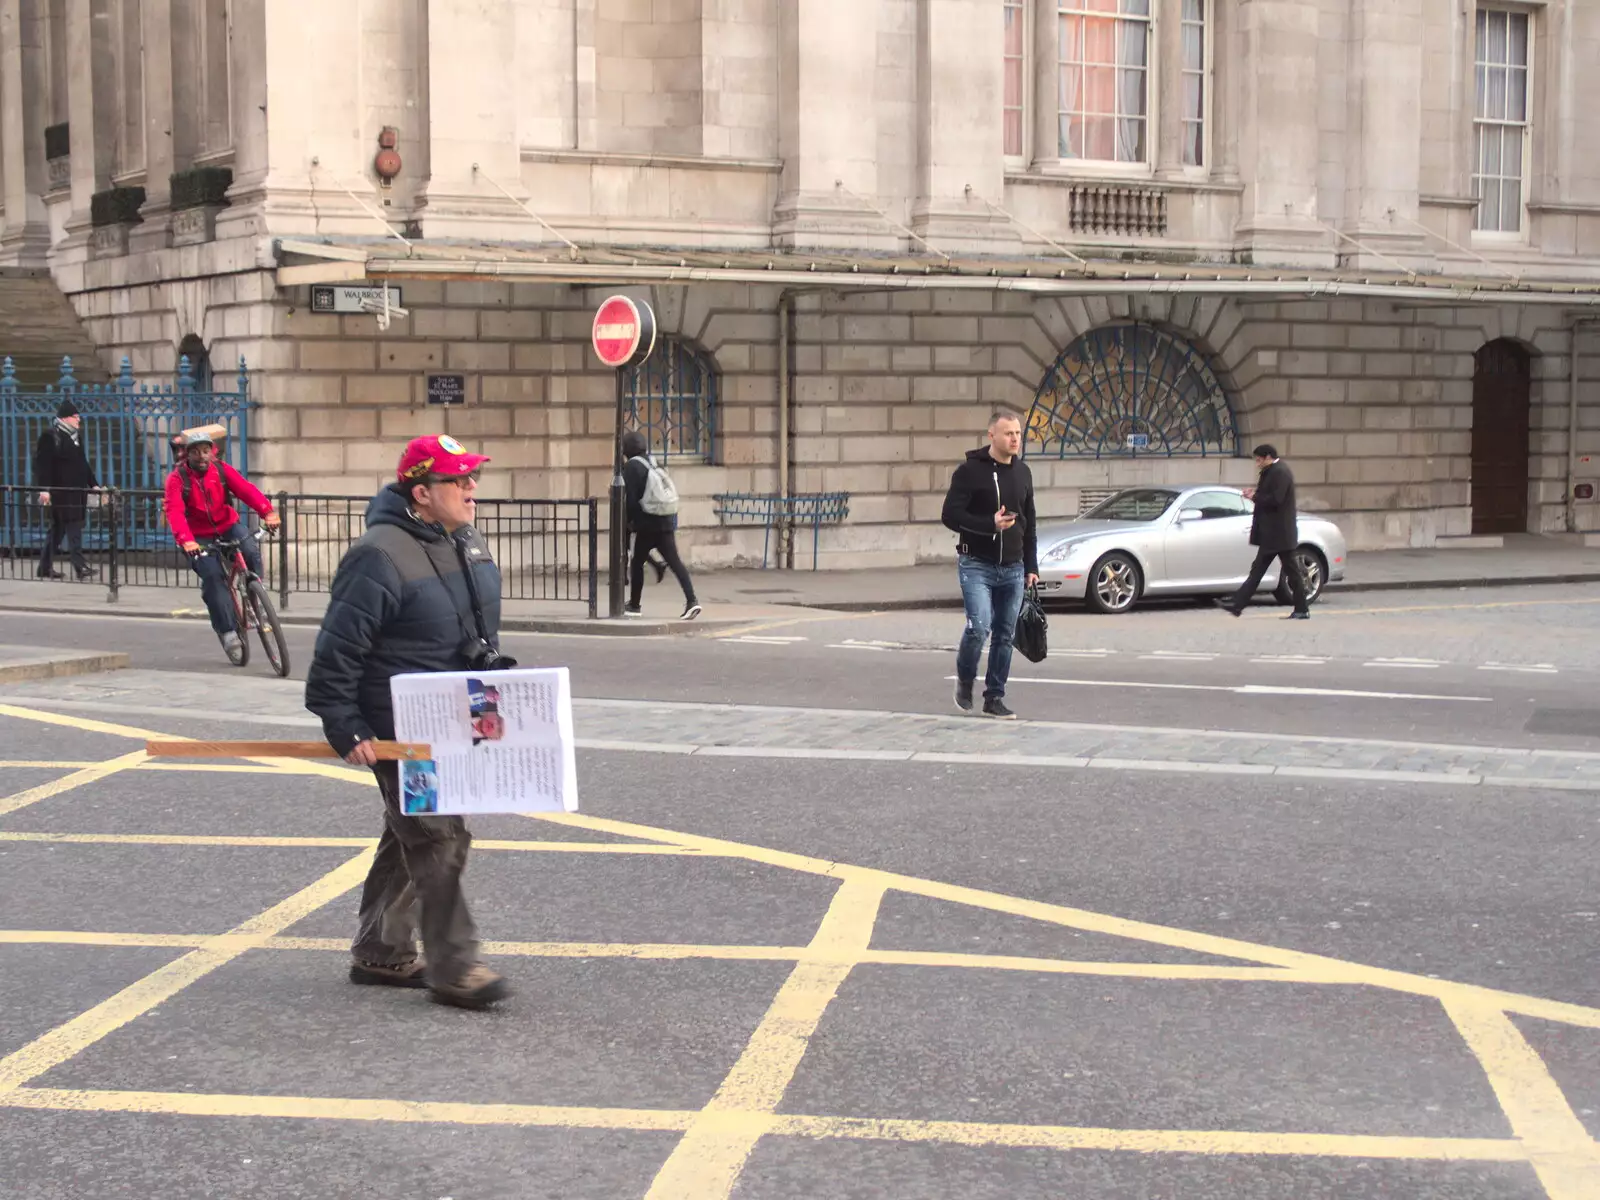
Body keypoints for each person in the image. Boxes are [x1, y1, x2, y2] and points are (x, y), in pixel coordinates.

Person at [305, 434, 513, 1011]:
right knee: (438, 836)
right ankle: (454, 968)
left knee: (410, 835)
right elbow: (336, 653)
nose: (473, 488)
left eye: (473, 477)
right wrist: (345, 725)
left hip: (453, 719)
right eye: (459, 480)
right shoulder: (379, 554)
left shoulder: (463, 539)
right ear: (421, 493)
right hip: (398, 729)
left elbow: (466, 629)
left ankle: (380, 948)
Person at [941, 411, 1039, 720]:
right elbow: (950, 515)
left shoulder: (1023, 473)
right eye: (1008, 433)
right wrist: (989, 525)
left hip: (1012, 567)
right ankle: (965, 680)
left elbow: (1030, 524)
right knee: (979, 627)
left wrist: (1031, 566)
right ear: (991, 436)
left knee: (1004, 634)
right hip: (976, 564)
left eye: (1018, 433)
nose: (1014, 439)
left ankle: (994, 697)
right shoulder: (970, 471)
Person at [163, 431, 280, 658]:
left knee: (250, 550)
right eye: (196, 452)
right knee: (214, 578)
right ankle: (228, 632)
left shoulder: (222, 470)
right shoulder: (177, 480)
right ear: (187, 455)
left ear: (212, 451)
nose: (202, 457)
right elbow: (175, 512)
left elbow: (246, 490)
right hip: (198, 537)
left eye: (206, 451)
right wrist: (187, 541)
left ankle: (255, 598)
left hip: (227, 525)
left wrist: (268, 512)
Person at [1221, 444, 1310, 620]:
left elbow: (1276, 499)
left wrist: (1254, 496)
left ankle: (1238, 605)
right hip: (1275, 533)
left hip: (1278, 533)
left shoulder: (1280, 472)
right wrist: (1254, 494)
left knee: (1272, 571)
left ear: (1268, 456)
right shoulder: (1273, 471)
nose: (1257, 463)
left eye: (1259, 459)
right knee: (1271, 570)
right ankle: (1238, 605)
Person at [621, 429, 700, 620]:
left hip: (648, 523)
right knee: (675, 562)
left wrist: (628, 523)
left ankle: (634, 605)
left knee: (637, 562)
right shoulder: (652, 461)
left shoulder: (632, 467)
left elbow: (631, 500)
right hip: (665, 520)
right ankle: (692, 601)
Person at [33, 400, 100, 580]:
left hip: (77, 492)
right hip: (61, 492)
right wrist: (44, 489)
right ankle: (80, 567)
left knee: (57, 531)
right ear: (65, 418)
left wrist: (93, 484)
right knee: (74, 527)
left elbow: (83, 464)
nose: (79, 420)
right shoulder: (50, 436)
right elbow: (43, 465)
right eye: (75, 417)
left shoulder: (76, 437)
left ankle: (44, 567)